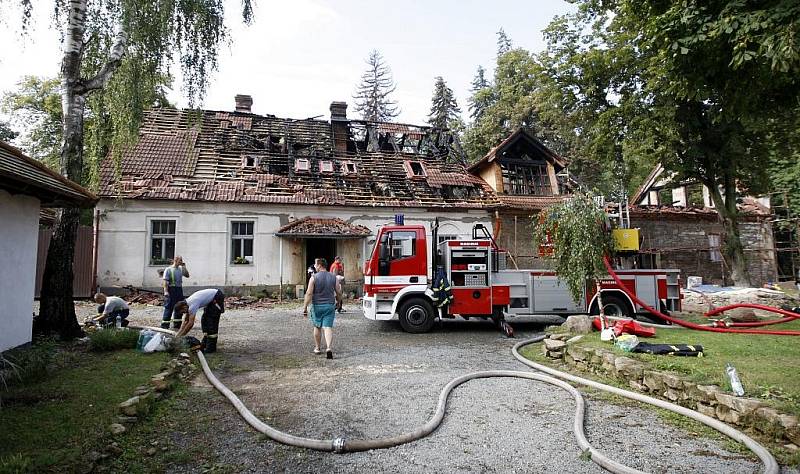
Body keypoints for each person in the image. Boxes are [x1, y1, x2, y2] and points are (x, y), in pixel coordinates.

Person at [303, 258, 342, 359]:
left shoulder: (314, 277)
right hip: (329, 305)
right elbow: (338, 292)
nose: (315, 266)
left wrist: (305, 307)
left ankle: (317, 348)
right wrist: (339, 301)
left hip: (317, 306)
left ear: (320, 265)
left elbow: (309, 293)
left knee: (317, 326)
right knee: (327, 327)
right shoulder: (334, 277)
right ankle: (329, 348)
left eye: (316, 265)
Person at [174, 288, 225, 353]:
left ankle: (211, 348)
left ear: (184, 307)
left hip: (217, 297)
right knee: (204, 320)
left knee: (211, 322)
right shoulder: (187, 303)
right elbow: (185, 321)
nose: (184, 313)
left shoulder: (192, 305)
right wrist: (178, 334)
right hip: (212, 299)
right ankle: (205, 343)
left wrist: (182, 335)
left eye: (183, 312)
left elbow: (190, 324)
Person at [161, 256, 190, 329]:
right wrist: (166, 291)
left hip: (179, 289)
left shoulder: (180, 269)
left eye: (181, 260)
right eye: (180, 260)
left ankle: (177, 324)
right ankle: (165, 325)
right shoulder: (168, 269)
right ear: (175, 260)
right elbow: (165, 281)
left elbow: (187, 275)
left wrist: (184, 267)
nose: (181, 262)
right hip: (171, 289)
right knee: (169, 307)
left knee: (179, 306)